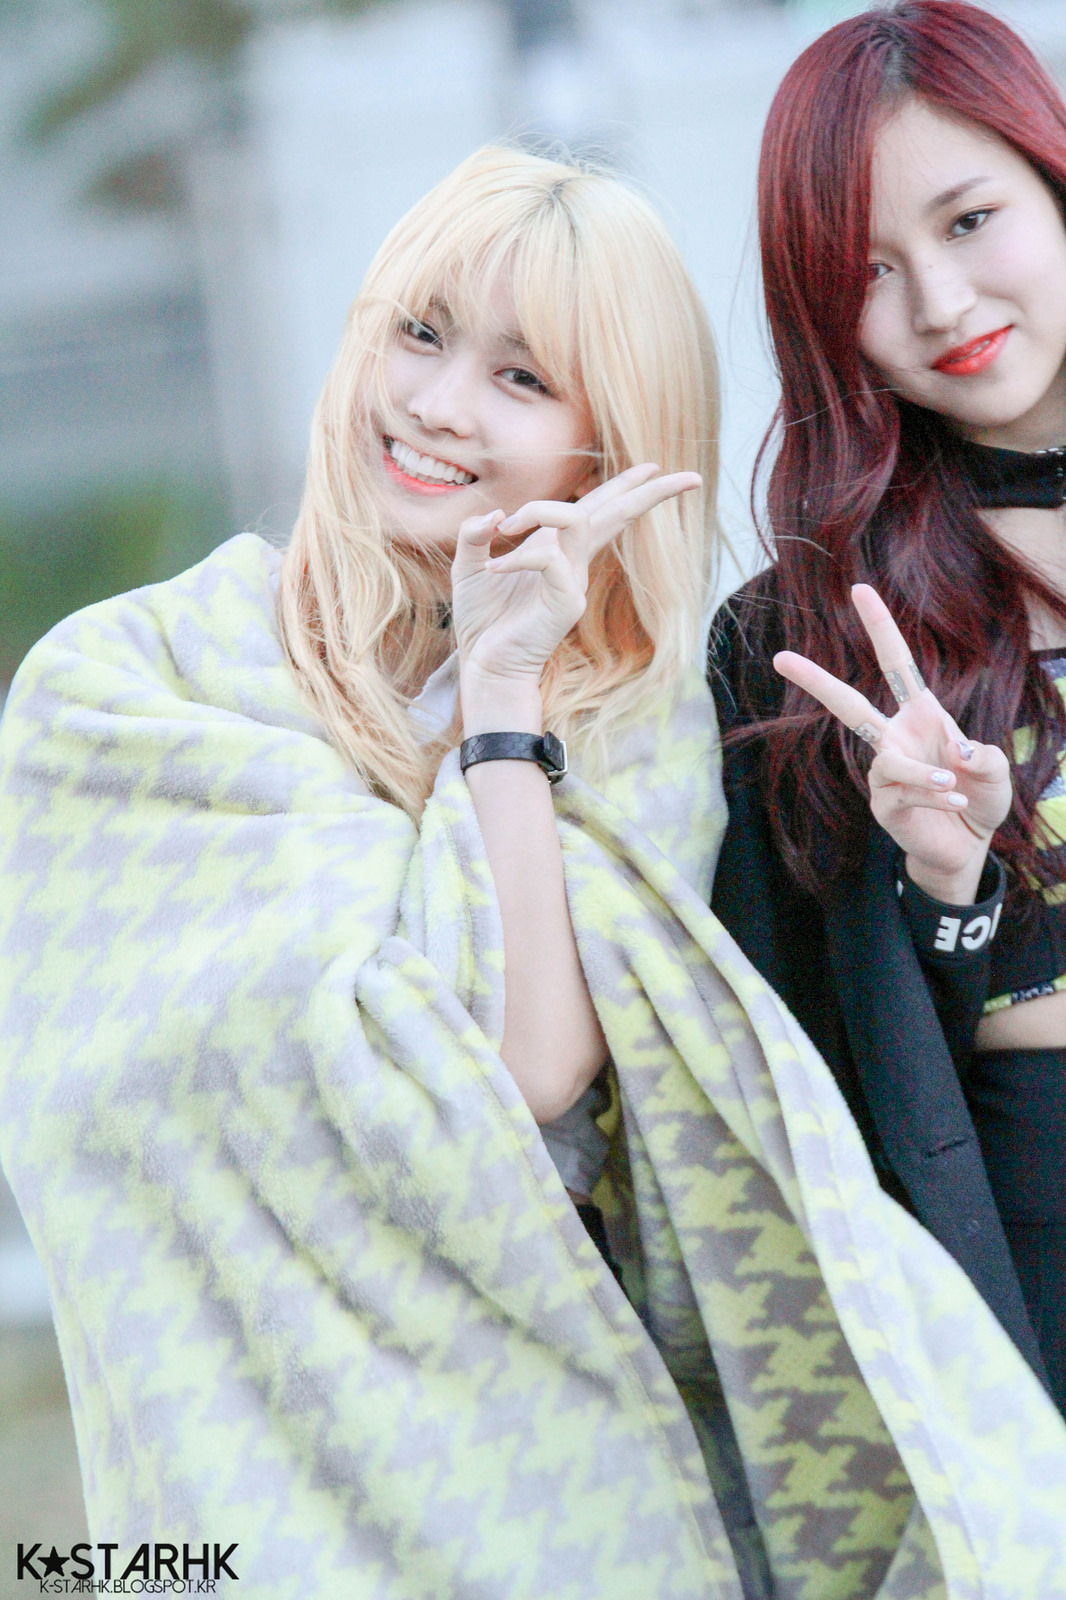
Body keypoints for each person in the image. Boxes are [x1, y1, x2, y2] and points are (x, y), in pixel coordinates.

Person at [710, 0, 1066, 1416]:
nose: (940, 304)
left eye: (970, 221)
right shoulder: (813, 636)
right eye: (867, 270)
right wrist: (942, 880)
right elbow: (838, 1058)